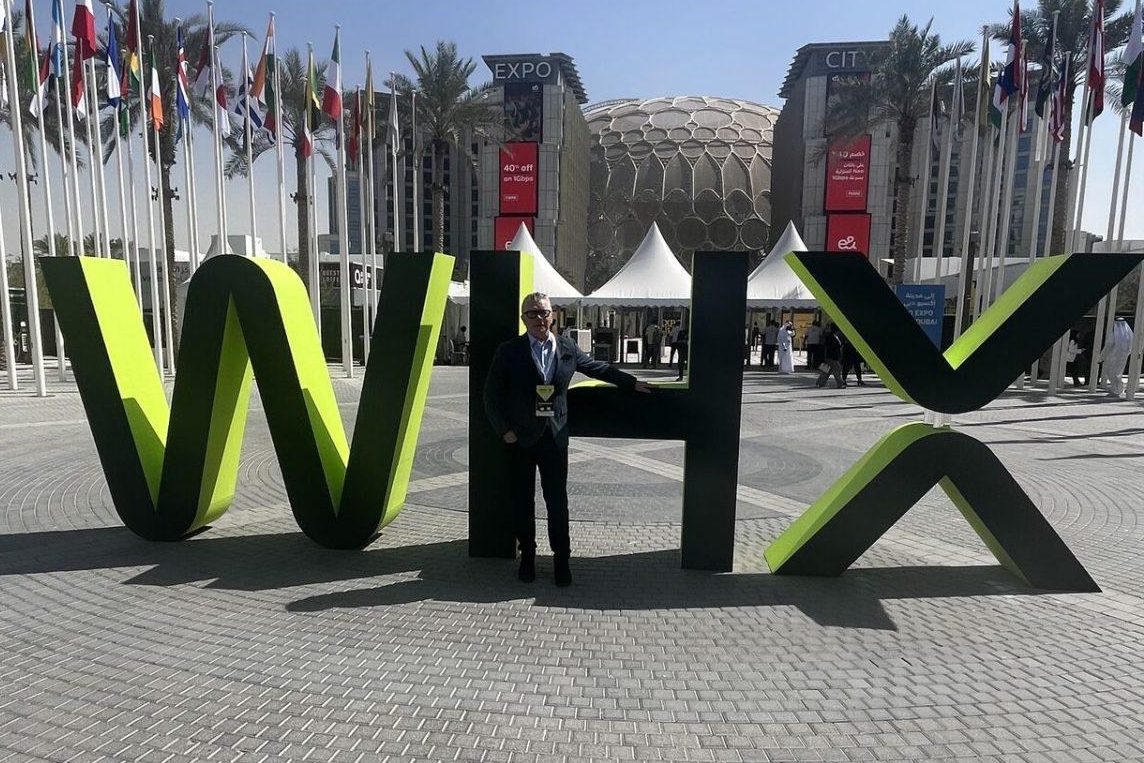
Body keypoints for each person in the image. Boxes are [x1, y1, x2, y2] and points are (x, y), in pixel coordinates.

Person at [484, 292, 651, 586]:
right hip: (521, 439)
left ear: (553, 316)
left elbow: (598, 368)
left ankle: (562, 559)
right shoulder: (509, 351)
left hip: (554, 437)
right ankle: (527, 557)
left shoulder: (567, 347)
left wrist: (631, 382)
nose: (539, 318)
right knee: (522, 501)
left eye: (544, 313)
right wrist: (504, 430)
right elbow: (491, 395)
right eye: (532, 313)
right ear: (524, 319)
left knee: (557, 502)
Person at [1100, 318, 1133, 397]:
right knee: (1118, 373)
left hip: (1113, 357)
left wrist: (1102, 357)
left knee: (1111, 373)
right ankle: (1118, 389)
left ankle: (1116, 390)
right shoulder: (1129, 335)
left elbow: (1108, 346)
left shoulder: (1114, 334)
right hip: (1123, 358)